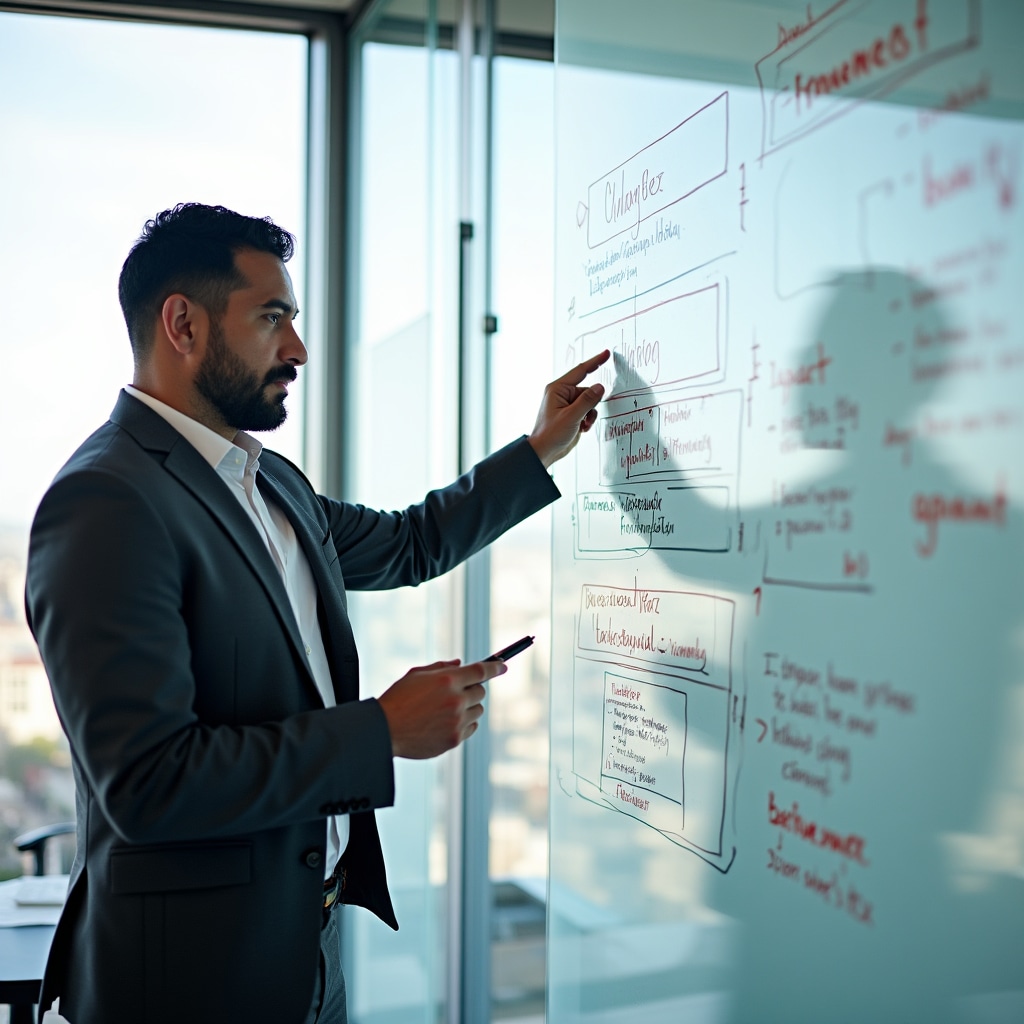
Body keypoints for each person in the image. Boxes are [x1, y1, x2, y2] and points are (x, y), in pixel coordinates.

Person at [25, 202, 609, 1024]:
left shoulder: (270, 482)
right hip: (188, 985)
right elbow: (149, 784)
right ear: (182, 325)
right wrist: (380, 732)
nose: (297, 349)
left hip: (305, 952)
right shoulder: (106, 501)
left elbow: (412, 543)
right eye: (273, 319)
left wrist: (538, 449)